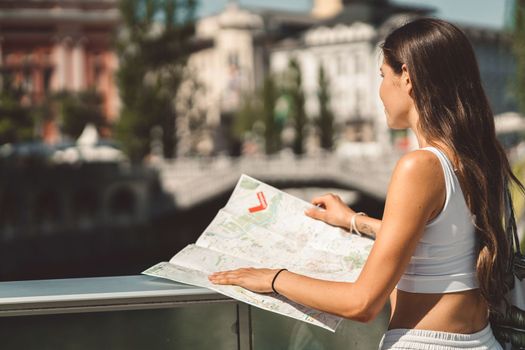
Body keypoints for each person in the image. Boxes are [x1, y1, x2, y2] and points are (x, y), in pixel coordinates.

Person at [209, 18, 522, 349]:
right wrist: (354, 221)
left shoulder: (419, 166)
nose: (381, 90)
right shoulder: (480, 156)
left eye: (383, 76)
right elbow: (445, 241)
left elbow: (361, 304)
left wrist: (272, 278)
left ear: (407, 77)